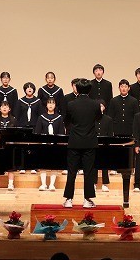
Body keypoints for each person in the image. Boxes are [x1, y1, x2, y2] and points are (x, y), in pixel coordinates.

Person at [63, 78, 102, 209]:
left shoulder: (71, 104)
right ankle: (87, 200)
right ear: (90, 90)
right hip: (90, 142)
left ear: (77, 89)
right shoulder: (95, 104)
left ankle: (69, 199)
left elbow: (67, 121)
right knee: (89, 172)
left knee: (71, 171)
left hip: (74, 141)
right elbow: (99, 118)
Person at [35, 97, 65, 191]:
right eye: (49, 103)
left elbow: (61, 133)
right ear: (46, 105)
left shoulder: (59, 118)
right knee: (43, 164)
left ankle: (52, 184)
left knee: (54, 165)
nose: (51, 105)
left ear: (55, 105)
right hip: (44, 145)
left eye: (52, 103)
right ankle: (43, 184)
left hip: (55, 145)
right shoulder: (41, 117)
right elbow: (38, 132)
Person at [0, 101, 17, 191]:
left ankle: (10, 184)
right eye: (3, 106)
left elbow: (16, 134)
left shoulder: (13, 120)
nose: (4, 108)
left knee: (11, 164)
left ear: (9, 109)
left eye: (6, 106)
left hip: (10, 145)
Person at [94, 99, 114, 192]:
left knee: (104, 166)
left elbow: (110, 134)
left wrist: (108, 145)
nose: (99, 107)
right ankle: (93, 183)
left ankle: (105, 184)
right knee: (93, 165)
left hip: (104, 145)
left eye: (101, 106)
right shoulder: (91, 118)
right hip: (93, 144)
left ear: (104, 107)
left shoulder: (108, 119)